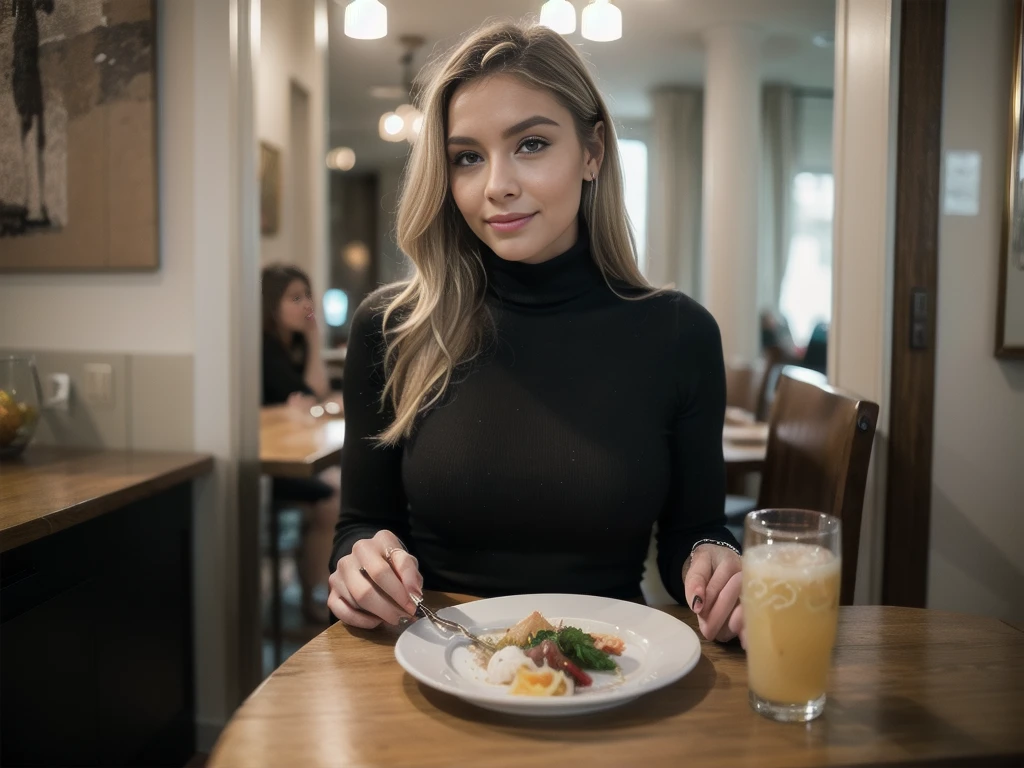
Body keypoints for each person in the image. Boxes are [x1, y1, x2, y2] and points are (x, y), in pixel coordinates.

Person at [328, 21, 744, 645]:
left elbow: (694, 532)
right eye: (467, 157)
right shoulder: (393, 330)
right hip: (438, 664)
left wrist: (715, 558)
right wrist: (361, 563)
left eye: (530, 145)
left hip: (611, 672)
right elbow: (362, 522)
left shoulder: (679, 334)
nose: (497, 185)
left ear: (593, 151)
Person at [262, 264, 342, 624]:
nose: (306, 305)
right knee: (334, 495)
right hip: (264, 467)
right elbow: (309, 397)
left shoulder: (292, 344)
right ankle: (316, 598)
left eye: (307, 296)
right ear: (270, 304)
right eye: (295, 297)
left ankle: (311, 589)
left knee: (326, 497)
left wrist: (312, 339)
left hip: (286, 458)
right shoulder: (262, 346)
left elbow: (315, 393)